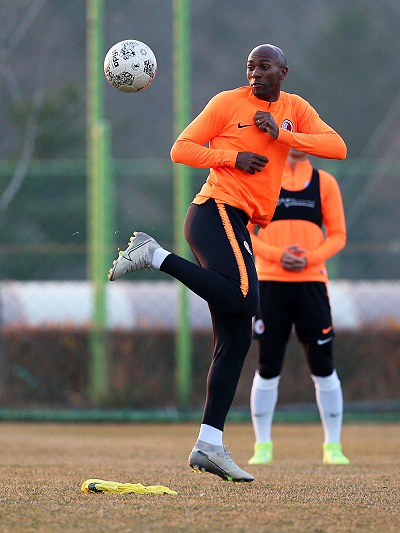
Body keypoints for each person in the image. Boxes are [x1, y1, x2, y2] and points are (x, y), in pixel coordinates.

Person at [108, 44, 346, 483]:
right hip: (214, 210)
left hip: (238, 221)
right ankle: (153, 253)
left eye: (264, 66)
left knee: (235, 340)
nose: (255, 73)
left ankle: (209, 445)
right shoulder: (226, 102)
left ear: (283, 71)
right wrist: (231, 157)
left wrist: (282, 134)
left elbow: (338, 147)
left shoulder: (295, 109)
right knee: (245, 298)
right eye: (250, 66)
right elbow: (181, 149)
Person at [245, 148, 349, 467]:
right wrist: (278, 255)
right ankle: (262, 445)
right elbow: (246, 234)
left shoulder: (324, 183)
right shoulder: (261, 178)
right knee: (268, 366)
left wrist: (309, 258)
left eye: (303, 133)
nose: (296, 142)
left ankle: (332, 446)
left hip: (312, 284)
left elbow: (338, 236)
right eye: (289, 133)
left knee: (323, 365)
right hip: (269, 283)